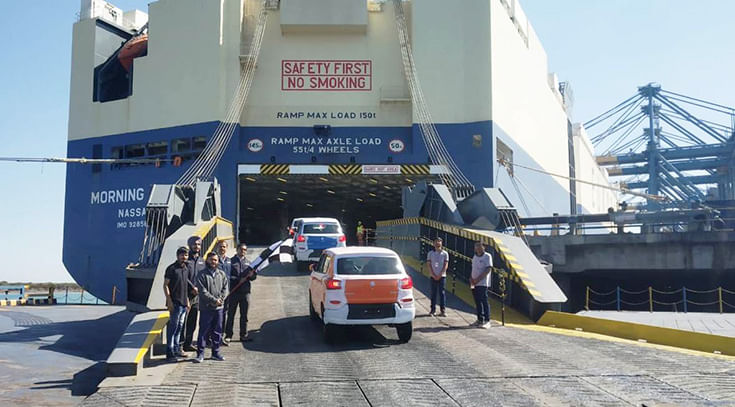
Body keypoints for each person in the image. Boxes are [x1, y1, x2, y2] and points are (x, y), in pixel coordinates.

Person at [194, 252, 229, 363]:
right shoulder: (201, 274)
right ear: (207, 261)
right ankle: (200, 354)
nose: (213, 262)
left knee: (217, 331)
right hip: (206, 308)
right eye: (211, 260)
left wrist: (221, 300)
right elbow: (202, 291)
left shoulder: (221, 274)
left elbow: (225, 289)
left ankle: (216, 352)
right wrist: (214, 301)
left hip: (219, 309)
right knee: (203, 331)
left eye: (215, 260)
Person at [163, 247, 191, 361]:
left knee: (179, 327)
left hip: (183, 303)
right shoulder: (171, 268)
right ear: (177, 255)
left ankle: (176, 349)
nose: (184, 257)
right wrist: (169, 301)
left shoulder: (186, 269)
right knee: (172, 328)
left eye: (186, 255)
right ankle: (169, 352)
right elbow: (165, 285)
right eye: (182, 255)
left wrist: (187, 300)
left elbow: (185, 286)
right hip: (175, 303)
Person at [226, 242, 257, 342]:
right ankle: (228, 335)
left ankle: (243, 335)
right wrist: (238, 279)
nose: (243, 251)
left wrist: (251, 275)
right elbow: (227, 276)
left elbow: (254, 277)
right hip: (234, 292)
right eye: (241, 249)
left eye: (245, 250)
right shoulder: (230, 262)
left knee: (244, 315)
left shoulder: (249, 263)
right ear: (237, 250)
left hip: (245, 292)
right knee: (231, 314)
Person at [181, 235, 205, 352]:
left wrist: (199, 288)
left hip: (197, 296)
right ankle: (179, 345)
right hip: (185, 295)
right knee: (182, 321)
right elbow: (183, 276)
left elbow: (203, 277)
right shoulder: (186, 260)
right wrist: (192, 287)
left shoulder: (202, 260)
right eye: (194, 244)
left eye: (198, 244)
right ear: (190, 245)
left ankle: (188, 343)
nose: (197, 246)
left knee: (192, 321)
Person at [470, 241, 493, 329]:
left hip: (482, 283)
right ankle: (479, 319)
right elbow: (473, 268)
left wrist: (478, 279)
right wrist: (471, 279)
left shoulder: (487, 256)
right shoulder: (475, 257)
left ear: (484, 247)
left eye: (479, 246)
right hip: (474, 282)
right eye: (476, 246)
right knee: (477, 301)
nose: (478, 248)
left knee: (484, 301)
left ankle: (487, 320)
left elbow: (488, 269)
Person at [426, 237, 449, 317]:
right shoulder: (430, 253)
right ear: (433, 243)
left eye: (439, 241)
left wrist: (440, 274)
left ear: (441, 243)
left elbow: (445, 265)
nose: (437, 243)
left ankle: (443, 310)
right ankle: (432, 310)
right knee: (433, 293)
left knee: (442, 293)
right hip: (433, 276)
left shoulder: (445, 253)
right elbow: (429, 264)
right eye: (436, 241)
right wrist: (433, 274)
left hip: (442, 276)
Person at [216, 241, 232, 346]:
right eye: (220, 246)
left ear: (227, 248)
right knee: (214, 315)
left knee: (223, 315)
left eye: (224, 247)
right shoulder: (214, 260)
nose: (222, 248)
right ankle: (211, 337)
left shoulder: (229, 261)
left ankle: (220, 336)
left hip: (226, 293)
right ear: (217, 247)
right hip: (216, 293)